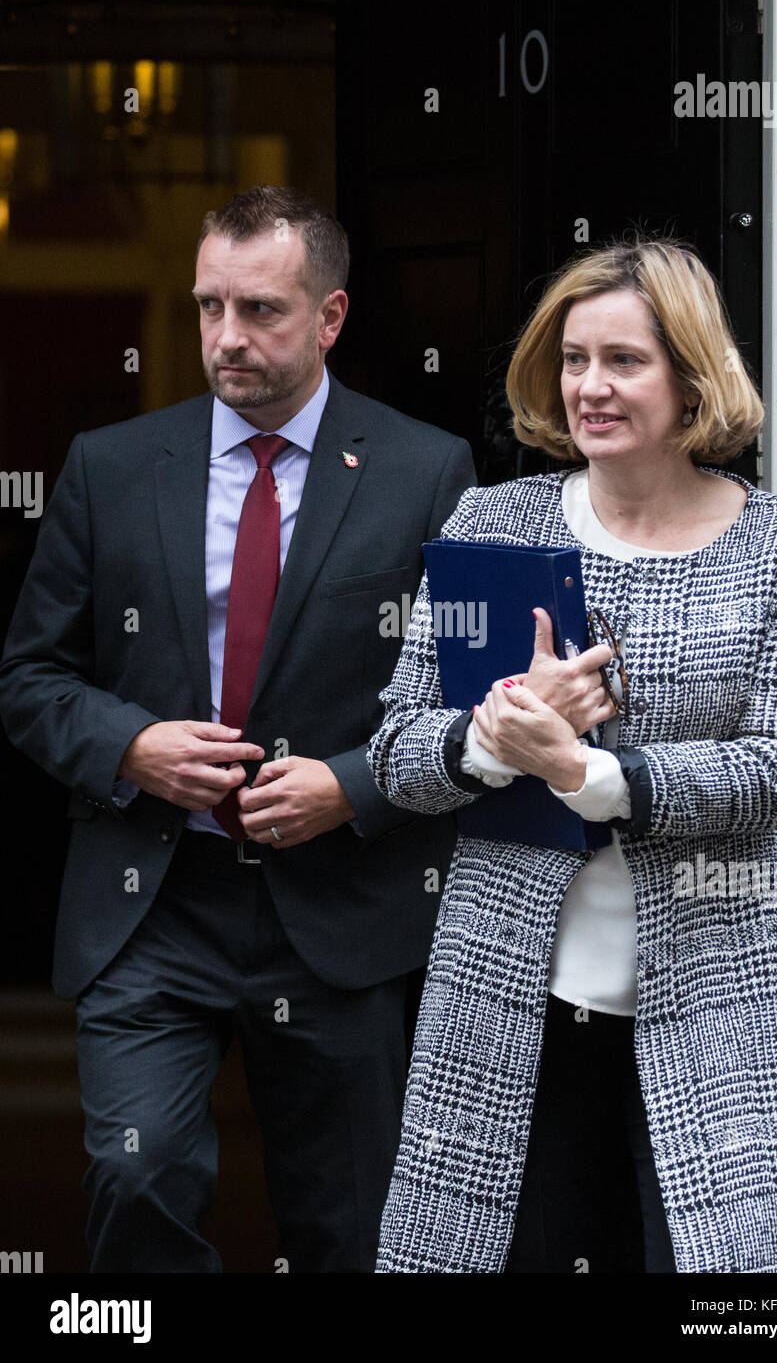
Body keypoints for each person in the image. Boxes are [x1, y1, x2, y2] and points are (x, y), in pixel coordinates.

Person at [0, 185, 476, 1273]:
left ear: (331, 315)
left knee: (349, 1222)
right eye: (209, 306)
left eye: (259, 309)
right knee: (136, 1173)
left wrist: (349, 785)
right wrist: (127, 745)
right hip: (152, 903)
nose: (225, 338)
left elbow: (464, 699)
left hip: (341, 907)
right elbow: (29, 677)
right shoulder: (110, 468)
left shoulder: (425, 470)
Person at [368, 237, 777, 1274]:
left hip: (718, 1006)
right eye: (573, 359)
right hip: (506, 1010)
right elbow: (399, 748)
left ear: (690, 377)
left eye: (623, 360)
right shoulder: (490, 526)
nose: (588, 386)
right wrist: (491, 737)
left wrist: (587, 774)